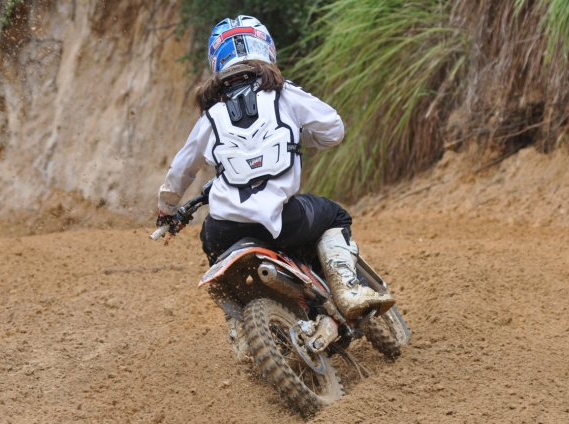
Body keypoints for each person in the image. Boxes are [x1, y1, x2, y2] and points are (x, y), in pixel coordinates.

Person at [156, 15, 393, 320]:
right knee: (335, 215)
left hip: (223, 231)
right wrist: (299, 135)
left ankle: (238, 323)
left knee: (208, 238)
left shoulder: (209, 116)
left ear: (216, 60)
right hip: (281, 221)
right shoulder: (283, 92)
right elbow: (333, 130)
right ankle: (348, 290)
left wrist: (166, 210)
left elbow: (180, 171)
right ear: (266, 48)